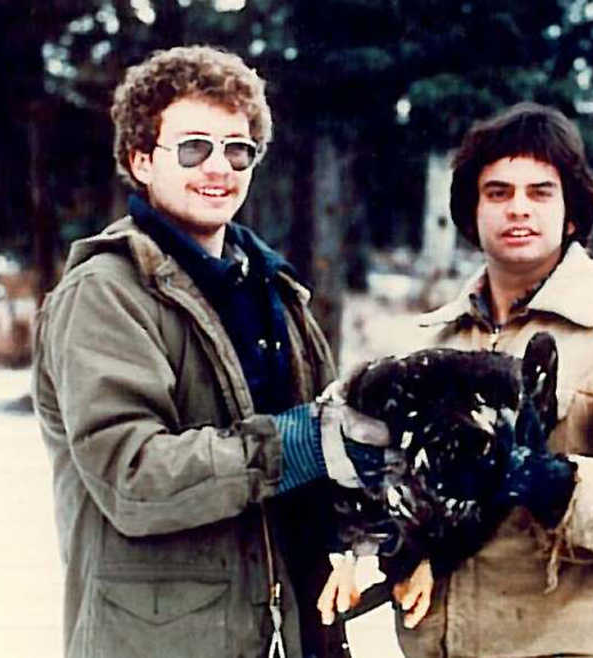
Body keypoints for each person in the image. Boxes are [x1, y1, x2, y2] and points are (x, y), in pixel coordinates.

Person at [31, 45, 389, 658]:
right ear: (141, 160)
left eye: (238, 149)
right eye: (194, 147)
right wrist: (295, 444)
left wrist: (378, 500)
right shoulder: (105, 294)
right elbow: (133, 476)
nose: (219, 167)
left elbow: (325, 461)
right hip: (158, 641)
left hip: (292, 633)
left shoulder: (276, 292)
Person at [323, 102, 593, 657]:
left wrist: (550, 481)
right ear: (472, 212)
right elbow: (396, 492)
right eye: (498, 193)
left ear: (572, 213)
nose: (518, 209)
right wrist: (390, 547)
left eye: (540, 192)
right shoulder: (436, 342)